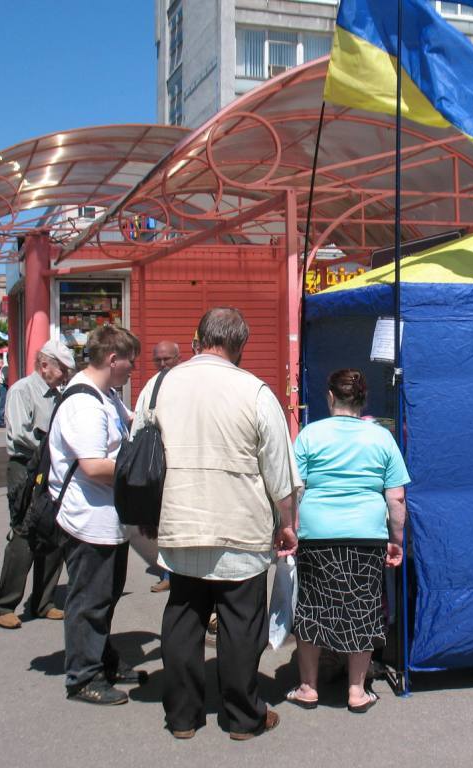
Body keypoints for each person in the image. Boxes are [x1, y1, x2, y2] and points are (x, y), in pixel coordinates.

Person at [137, 307, 299, 740]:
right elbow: (279, 474)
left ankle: (182, 716)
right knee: (241, 624)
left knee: (183, 617)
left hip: (179, 519)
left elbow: (139, 453)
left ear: (199, 338)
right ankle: (243, 717)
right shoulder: (255, 392)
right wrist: (287, 523)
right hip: (239, 526)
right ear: (240, 344)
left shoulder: (158, 386)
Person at [285, 369, 409, 714]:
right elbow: (396, 498)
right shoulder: (381, 438)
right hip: (366, 533)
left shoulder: (310, 434)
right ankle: (356, 691)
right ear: (363, 399)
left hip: (317, 533)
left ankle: (308, 687)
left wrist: (290, 528)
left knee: (311, 606)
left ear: (330, 396)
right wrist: (396, 539)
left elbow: (294, 488)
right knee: (363, 606)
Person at [51, 324, 142, 706]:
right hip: (88, 521)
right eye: (130, 362)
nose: (133, 369)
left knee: (105, 596)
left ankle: (103, 659)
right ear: (113, 359)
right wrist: (142, 470)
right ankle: (83, 677)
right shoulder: (84, 403)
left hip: (108, 518)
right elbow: (93, 465)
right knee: (89, 601)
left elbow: (134, 422)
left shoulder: (106, 395)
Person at [0, 341, 76, 629]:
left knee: (52, 531)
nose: (65, 375)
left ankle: (43, 601)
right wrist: (54, 446)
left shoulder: (58, 395)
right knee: (24, 534)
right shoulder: (22, 390)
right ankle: (4, 604)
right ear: (45, 364)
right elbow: (20, 434)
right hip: (26, 467)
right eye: (62, 369)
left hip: (48, 466)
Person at [143, 340, 181, 594]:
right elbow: (142, 419)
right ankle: (168, 573)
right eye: (158, 359)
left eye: (167, 358)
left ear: (178, 358)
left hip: (183, 461)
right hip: (160, 462)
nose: (163, 363)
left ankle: (182, 575)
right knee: (162, 521)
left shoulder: (187, 381)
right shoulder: (152, 385)